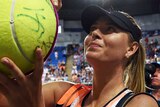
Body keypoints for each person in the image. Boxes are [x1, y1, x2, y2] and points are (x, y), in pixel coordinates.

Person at [0, 4, 159, 107]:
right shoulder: (62, 91)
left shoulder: (141, 103)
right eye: (92, 29)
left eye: (109, 29)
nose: (95, 33)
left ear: (131, 49)